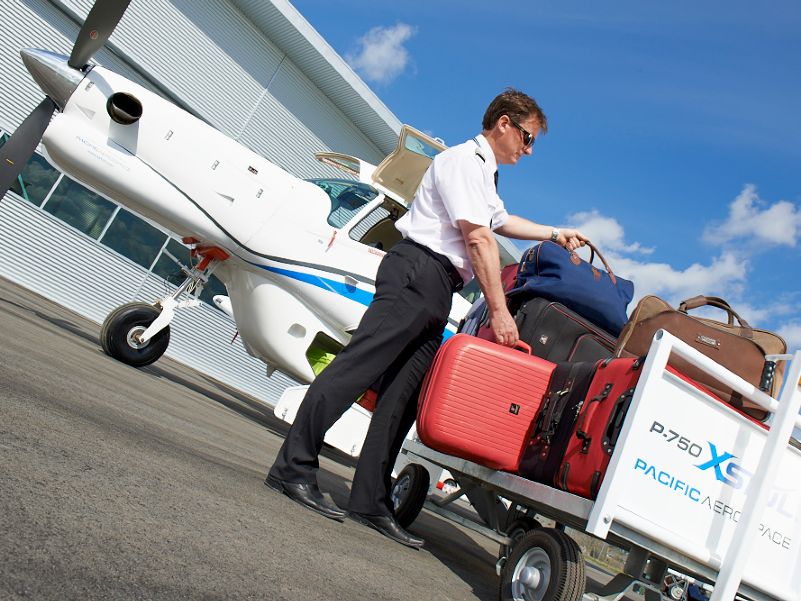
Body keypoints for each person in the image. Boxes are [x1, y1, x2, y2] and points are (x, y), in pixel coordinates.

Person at [266, 88, 586, 548]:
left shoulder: (484, 175)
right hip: (416, 273)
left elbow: (500, 221)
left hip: (436, 288)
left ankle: (370, 499)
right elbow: (479, 240)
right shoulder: (462, 162)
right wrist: (499, 313)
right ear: (503, 124)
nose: (528, 149)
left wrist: (556, 233)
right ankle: (292, 468)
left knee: (402, 397)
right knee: (356, 370)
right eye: (528, 138)